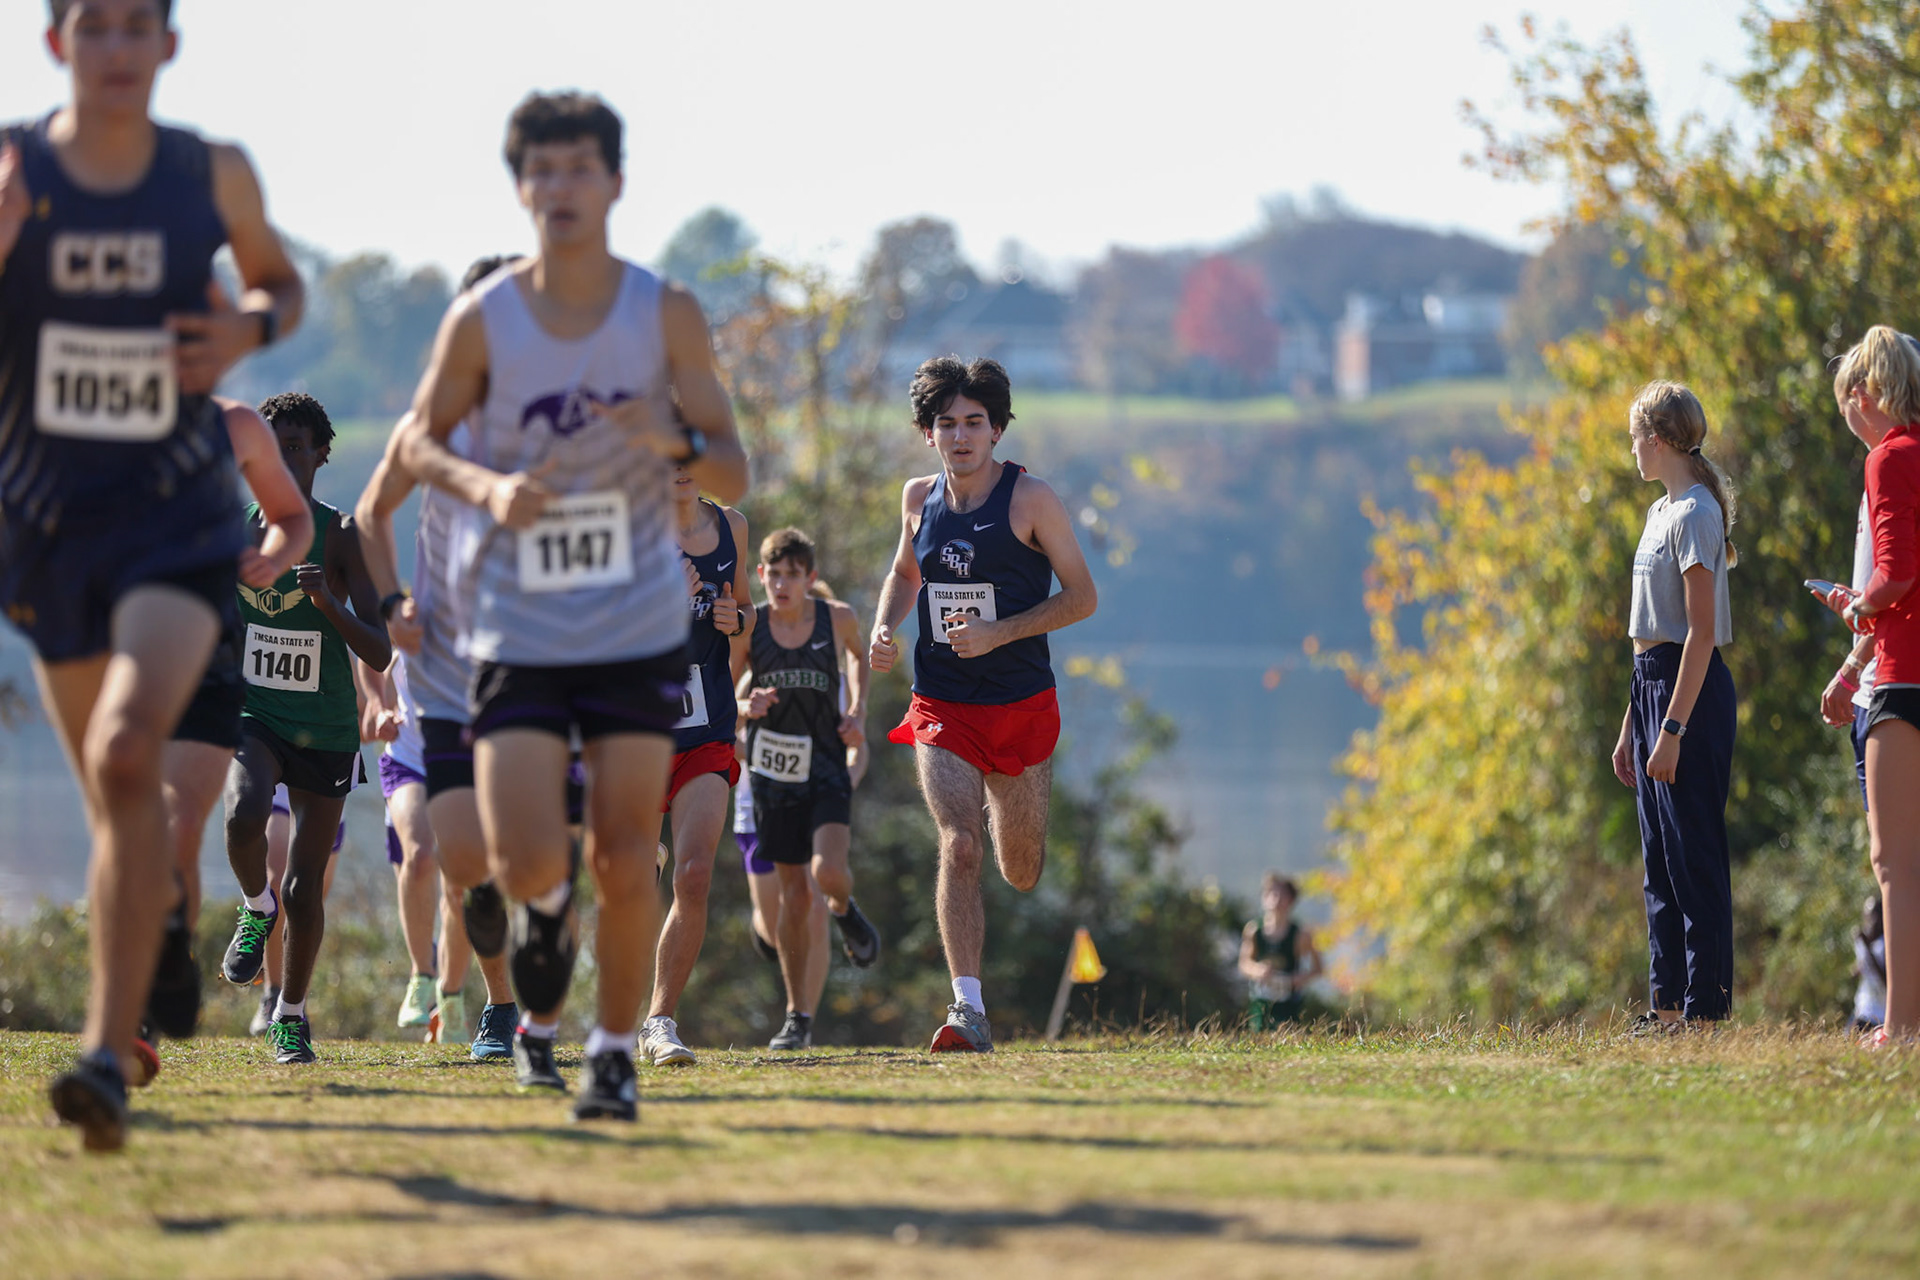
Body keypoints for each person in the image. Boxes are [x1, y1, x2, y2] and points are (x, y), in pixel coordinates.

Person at [392, 91, 746, 1120]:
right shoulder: (485, 317)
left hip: (635, 624)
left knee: (624, 850)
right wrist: (488, 488)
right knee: (525, 856)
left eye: (579, 168)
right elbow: (415, 444)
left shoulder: (663, 311)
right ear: (520, 188)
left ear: (616, 183)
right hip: (519, 628)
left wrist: (668, 440)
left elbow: (733, 470)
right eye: (540, 170)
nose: (559, 187)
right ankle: (545, 917)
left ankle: (610, 1050)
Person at [2, 0, 304, 1151]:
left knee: (133, 754)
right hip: (46, 521)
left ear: (169, 46)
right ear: (54, 45)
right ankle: (164, 934)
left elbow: (280, 285)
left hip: (175, 522)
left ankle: (104, 1053)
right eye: (95, 28)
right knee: (109, 790)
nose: (118, 48)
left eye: (139, 26)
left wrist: (247, 330)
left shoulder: (208, 172)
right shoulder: (15, 166)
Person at [870, 357, 1098, 1053]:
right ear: (928, 433)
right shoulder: (917, 499)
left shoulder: (1032, 501)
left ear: (998, 430)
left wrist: (1001, 631)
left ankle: (1022, 810)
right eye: (947, 424)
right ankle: (967, 1008)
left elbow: (1082, 598)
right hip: (942, 701)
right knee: (960, 844)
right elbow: (905, 574)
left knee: (1018, 868)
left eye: (975, 423)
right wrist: (885, 625)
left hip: (1020, 702)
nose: (961, 436)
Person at [353, 255, 526, 1064]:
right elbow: (369, 516)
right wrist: (392, 604)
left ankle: (546, 1011)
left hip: (544, 663)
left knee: (555, 854)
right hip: (452, 676)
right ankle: (497, 1002)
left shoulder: (574, 419)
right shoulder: (428, 424)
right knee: (461, 859)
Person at [217, 392, 391, 1064]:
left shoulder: (342, 534)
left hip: (326, 726)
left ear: (321, 454)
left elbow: (380, 650)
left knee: (306, 883)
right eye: (272, 447)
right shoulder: (234, 533)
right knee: (243, 816)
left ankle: (291, 1015)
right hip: (255, 713)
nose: (285, 459)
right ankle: (255, 907)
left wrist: (327, 604)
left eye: (297, 447)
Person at [148, 399, 311, 1071]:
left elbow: (292, 518)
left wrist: (272, 561)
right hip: (112, 638)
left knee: (183, 825)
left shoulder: (234, 424)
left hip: (220, 662)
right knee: (134, 825)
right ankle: (160, 970)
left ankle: (150, 995)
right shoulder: (84, 412)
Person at [1609, 381, 1738, 1032]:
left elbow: (1700, 634)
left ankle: (1705, 1014)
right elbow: (1647, 637)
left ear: (1655, 441)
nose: (1631, 452)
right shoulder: (1660, 512)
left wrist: (1673, 729)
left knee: (1694, 861)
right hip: (1652, 687)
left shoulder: (1694, 514)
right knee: (1658, 864)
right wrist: (1634, 724)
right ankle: (1665, 1011)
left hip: (1690, 692)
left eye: (1634, 439)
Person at [1819, 326, 1920, 1046]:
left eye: (1851, 398)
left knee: (1895, 863)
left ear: (1869, 394)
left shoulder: (1888, 459)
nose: (1849, 411)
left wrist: (1856, 604)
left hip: (1903, 675)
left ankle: (1902, 1023)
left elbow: (1895, 572)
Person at [742, 530, 881, 1050]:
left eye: (792, 576)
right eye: (773, 574)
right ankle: (797, 1017)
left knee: (827, 874)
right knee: (795, 897)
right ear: (761, 575)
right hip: (772, 776)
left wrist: (857, 713)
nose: (781, 585)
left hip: (824, 764)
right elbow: (726, 694)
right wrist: (744, 708)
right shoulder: (751, 626)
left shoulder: (836, 618)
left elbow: (859, 657)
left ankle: (845, 910)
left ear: (810, 579)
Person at [637, 469, 754, 1067]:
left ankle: (660, 1021)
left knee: (696, 873)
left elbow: (747, 613)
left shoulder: (731, 527)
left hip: (706, 730)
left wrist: (737, 620)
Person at [1237, 873, 1322, 1029]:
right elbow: (1243, 963)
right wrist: (1258, 970)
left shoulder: (1301, 934)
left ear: (1291, 900)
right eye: (1270, 893)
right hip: (1260, 1002)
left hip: (1289, 1005)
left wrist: (1299, 979)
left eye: (1281, 895)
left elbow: (1318, 969)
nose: (1275, 900)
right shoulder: (1253, 930)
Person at [1854, 893, 1887, 1033]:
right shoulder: (1864, 943)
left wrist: (1867, 948)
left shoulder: (1886, 945)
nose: (1869, 922)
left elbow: (1886, 982)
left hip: (1880, 1015)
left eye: (1873, 917)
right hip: (1863, 1009)